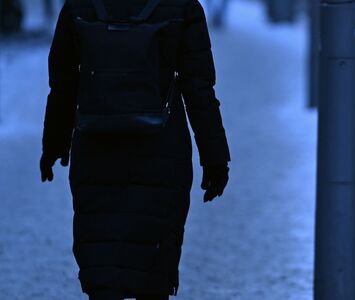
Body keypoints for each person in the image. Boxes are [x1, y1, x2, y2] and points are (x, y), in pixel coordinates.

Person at [40, 0, 231, 299]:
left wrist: (53, 144)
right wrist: (215, 156)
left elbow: (63, 83)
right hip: (162, 149)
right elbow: (199, 89)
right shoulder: (182, 6)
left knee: (102, 256)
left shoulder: (79, 5)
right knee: (152, 265)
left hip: (96, 148)